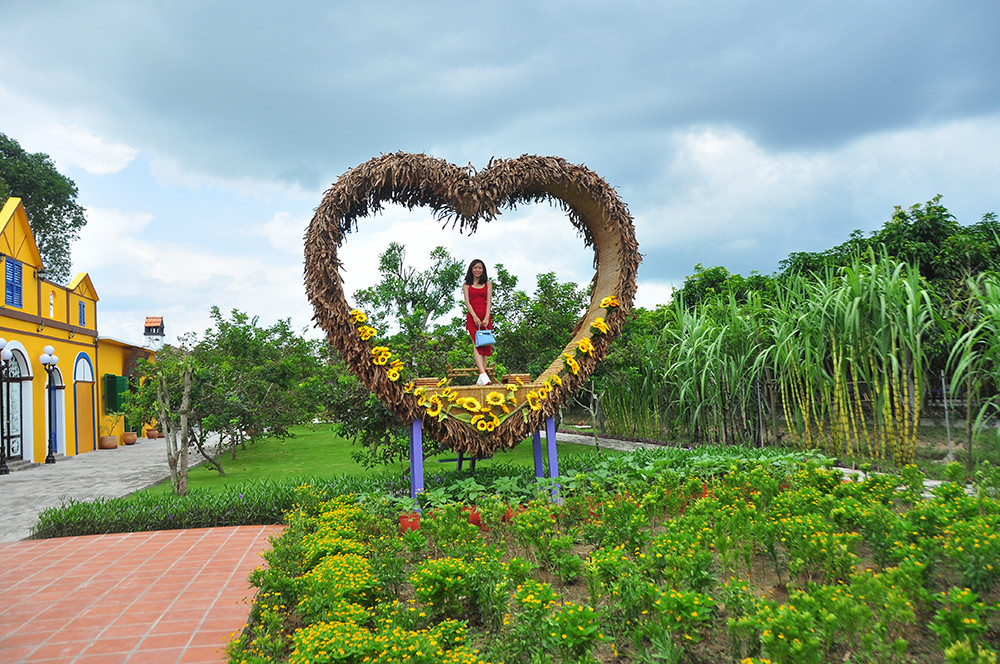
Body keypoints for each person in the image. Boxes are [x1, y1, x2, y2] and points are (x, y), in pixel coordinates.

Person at [463, 259, 493, 385]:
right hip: (472, 317)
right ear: (471, 269)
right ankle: (482, 374)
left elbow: (489, 301)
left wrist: (486, 317)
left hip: (485, 317)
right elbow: (467, 302)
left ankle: (482, 377)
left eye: (480, 268)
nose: (477, 270)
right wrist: (474, 317)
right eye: (475, 267)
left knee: (486, 345)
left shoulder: (488, 283)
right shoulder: (466, 285)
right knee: (477, 344)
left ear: (483, 270)